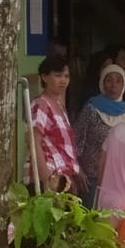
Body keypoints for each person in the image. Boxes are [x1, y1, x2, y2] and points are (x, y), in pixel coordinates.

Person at [74, 63, 125, 204]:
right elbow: (76, 139)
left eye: (118, 81)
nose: (113, 85)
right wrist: (78, 170)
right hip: (90, 177)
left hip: (117, 177)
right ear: (102, 83)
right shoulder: (91, 107)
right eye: (109, 80)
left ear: (123, 85)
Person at [28, 54, 82, 194]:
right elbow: (34, 142)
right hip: (50, 180)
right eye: (58, 75)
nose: (63, 80)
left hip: (64, 179)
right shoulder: (40, 105)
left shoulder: (60, 107)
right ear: (44, 77)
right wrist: (46, 179)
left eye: (66, 76)